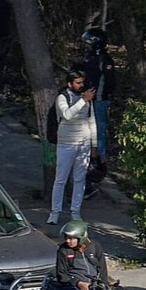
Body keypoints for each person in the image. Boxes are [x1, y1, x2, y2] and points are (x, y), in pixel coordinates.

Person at [48, 69, 97, 224]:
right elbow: (67, 115)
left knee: (79, 179)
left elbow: (92, 121)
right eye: (78, 82)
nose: (81, 85)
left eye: (82, 82)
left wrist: (94, 145)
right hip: (66, 144)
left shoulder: (87, 98)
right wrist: (83, 100)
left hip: (84, 144)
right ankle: (55, 212)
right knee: (61, 179)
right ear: (70, 83)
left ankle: (75, 212)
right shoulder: (62, 98)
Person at [80, 27, 116, 173]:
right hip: (89, 98)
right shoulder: (91, 57)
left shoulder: (103, 60)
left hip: (99, 100)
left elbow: (108, 82)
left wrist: (97, 95)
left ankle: (99, 159)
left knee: (99, 129)